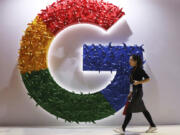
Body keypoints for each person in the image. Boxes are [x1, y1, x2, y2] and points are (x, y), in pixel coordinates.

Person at [113, 54, 157, 134]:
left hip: (138, 92)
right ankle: (153, 125)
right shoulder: (132, 70)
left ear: (135, 61)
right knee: (143, 110)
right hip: (134, 92)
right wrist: (130, 92)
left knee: (129, 110)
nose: (129, 61)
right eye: (129, 60)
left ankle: (122, 128)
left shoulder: (140, 70)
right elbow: (132, 83)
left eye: (131, 60)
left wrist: (139, 82)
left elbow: (148, 79)